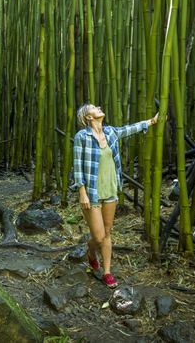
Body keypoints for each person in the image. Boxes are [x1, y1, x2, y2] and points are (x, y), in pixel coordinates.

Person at [70, 104, 158, 288]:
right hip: (92, 194)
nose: (100, 107)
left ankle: (107, 273)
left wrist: (152, 121)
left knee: (108, 233)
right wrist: (82, 193)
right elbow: (77, 167)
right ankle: (91, 252)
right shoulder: (82, 137)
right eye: (94, 107)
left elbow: (130, 129)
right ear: (88, 117)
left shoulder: (110, 132)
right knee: (99, 237)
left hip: (110, 190)